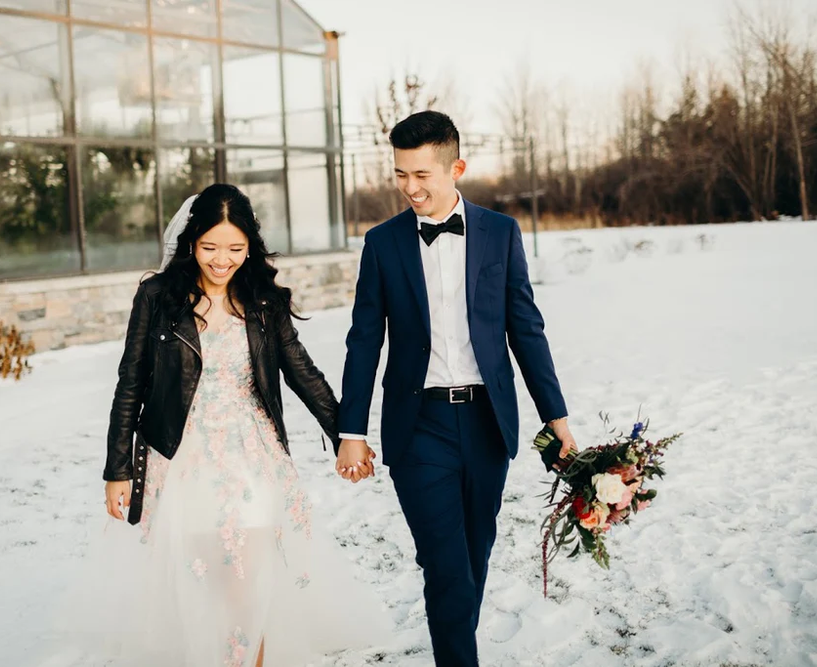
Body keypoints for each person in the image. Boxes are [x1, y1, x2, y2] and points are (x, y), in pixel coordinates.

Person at [99, 183, 384, 667]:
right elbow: (131, 382)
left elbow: (303, 373)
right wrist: (117, 469)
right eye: (210, 247)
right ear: (191, 243)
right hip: (181, 457)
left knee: (249, 576)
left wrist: (346, 436)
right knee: (205, 577)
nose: (221, 260)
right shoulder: (157, 297)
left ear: (250, 246)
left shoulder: (264, 301)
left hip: (251, 456)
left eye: (235, 248)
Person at [336, 111, 578, 666]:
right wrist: (352, 430)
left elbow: (526, 328)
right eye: (401, 174)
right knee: (444, 565)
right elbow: (364, 342)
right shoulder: (382, 243)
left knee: (474, 556)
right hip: (419, 427)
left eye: (422, 174)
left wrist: (556, 418)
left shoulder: (501, 233)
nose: (410, 188)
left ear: (456, 167)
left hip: (488, 422)